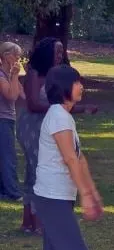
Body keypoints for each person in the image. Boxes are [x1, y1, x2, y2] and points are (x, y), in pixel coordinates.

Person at [25, 64, 114, 250]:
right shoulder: (58, 117)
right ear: (65, 87)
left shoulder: (64, 117)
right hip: (50, 196)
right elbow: (68, 159)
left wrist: (93, 193)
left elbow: (80, 159)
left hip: (58, 195)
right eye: (77, 82)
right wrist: (86, 197)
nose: (81, 87)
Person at [18, 39, 97, 234]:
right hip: (33, 126)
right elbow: (33, 104)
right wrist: (60, 108)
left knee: (34, 172)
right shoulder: (35, 74)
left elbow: (62, 106)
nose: (60, 54)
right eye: (57, 50)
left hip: (49, 125)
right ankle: (37, 222)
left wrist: (82, 109)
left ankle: (29, 221)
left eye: (62, 50)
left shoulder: (58, 75)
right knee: (38, 171)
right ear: (47, 52)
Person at [0, 42, 24, 201]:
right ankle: (13, 192)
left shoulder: (7, 75)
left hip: (8, 119)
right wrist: (15, 75)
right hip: (3, 119)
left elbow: (22, 94)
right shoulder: (1, 76)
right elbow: (11, 96)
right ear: (6, 56)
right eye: (16, 55)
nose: (18, 59)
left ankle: (3, 189)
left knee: (4, 155)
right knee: (8, 156)